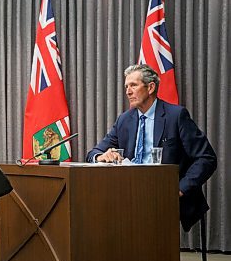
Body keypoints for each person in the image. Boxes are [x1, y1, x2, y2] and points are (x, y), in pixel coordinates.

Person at [86, 64, 217, 231]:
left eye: (133, 85)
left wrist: (178, 190)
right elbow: (93, 152)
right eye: (126, 86)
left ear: (151, 87)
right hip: (129, 192)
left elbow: (206, 158)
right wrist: (100, 157)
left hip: (162, 194)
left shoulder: (176, 116)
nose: (128, 91)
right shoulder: (124, 120)